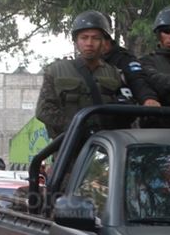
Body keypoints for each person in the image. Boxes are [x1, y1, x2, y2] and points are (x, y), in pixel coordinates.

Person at [35, 10, 124, 139]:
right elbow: (44, 111)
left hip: (105, 146)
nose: (89, 43)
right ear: (76, 42)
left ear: (104, 42)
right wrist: (75, 128)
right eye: (84, 37)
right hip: (68, 146)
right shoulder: (55, 71)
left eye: (95, 38)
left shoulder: (114, 74)